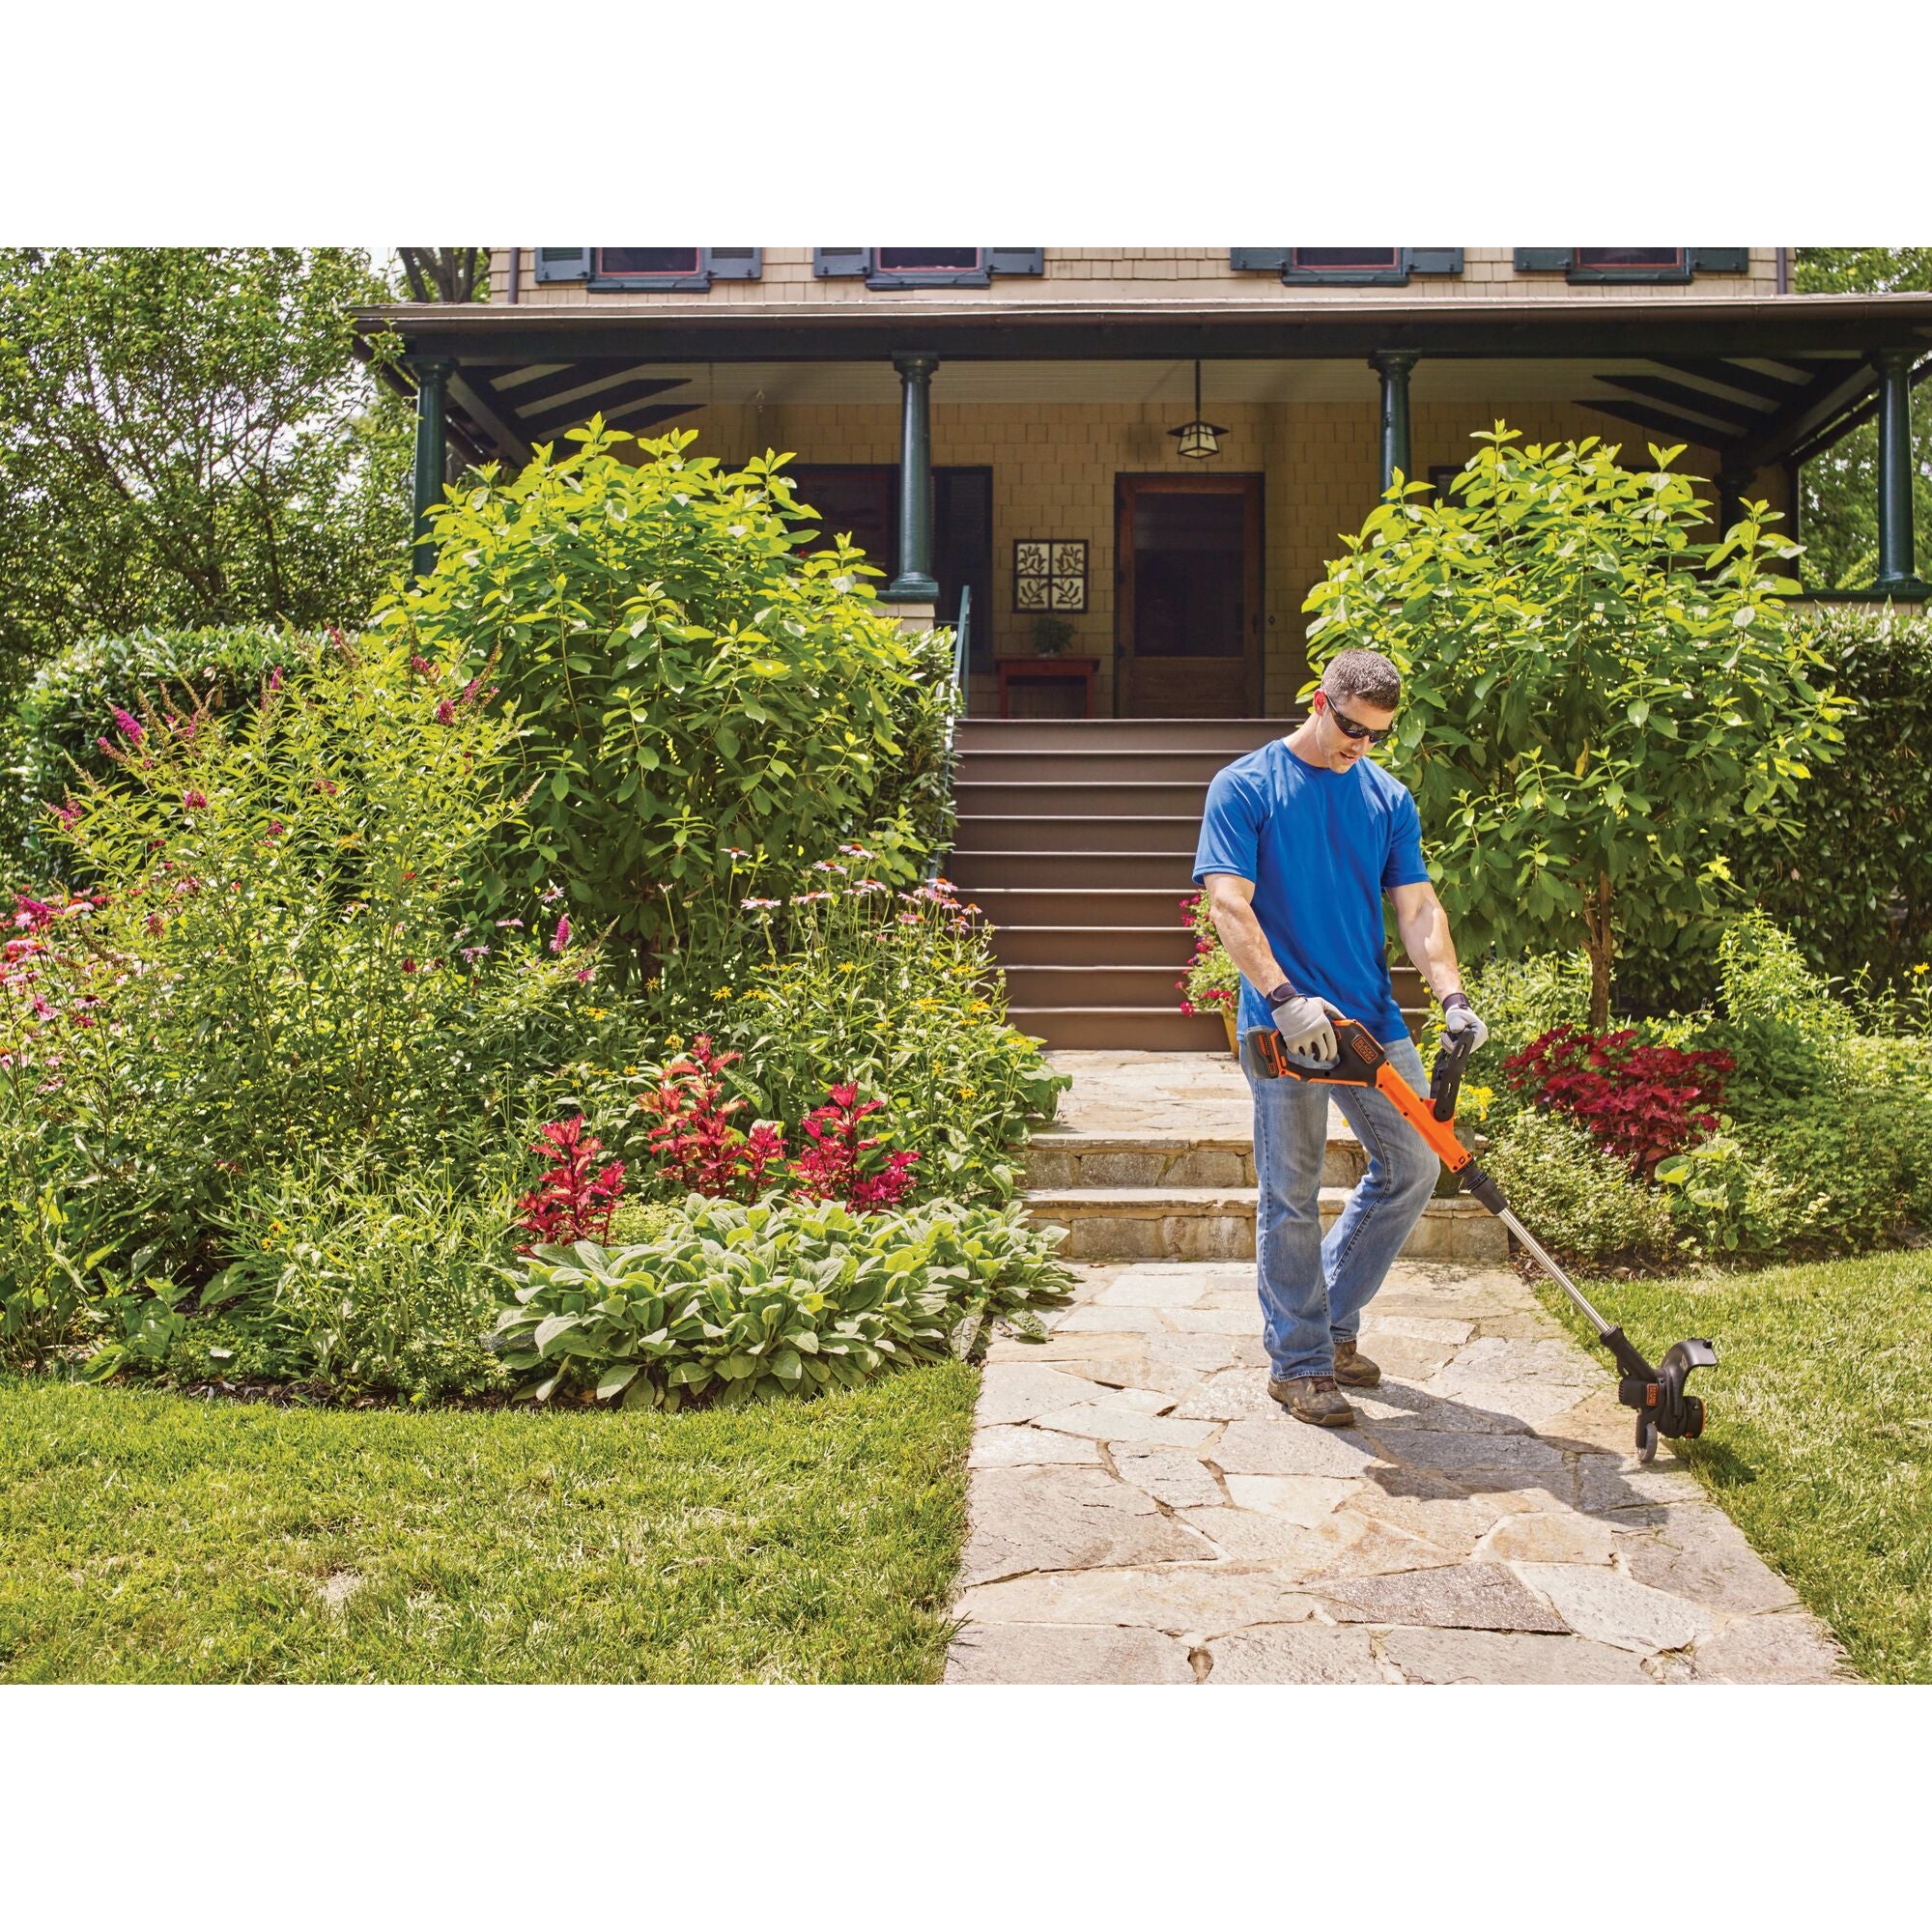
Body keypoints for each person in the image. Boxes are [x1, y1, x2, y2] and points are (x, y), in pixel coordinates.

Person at [1192, 647, 1488, 1428]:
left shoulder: (1387, 799)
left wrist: (1451, 996)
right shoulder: (1247, 786)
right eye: (1351, 727)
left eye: (1376, 735)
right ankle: (1299, 1364)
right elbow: (1230, 905)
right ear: (1319, 702)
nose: (1360, 745)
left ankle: (1325, 1326)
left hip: (1372, 1020)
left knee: (1415, 1165)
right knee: (1290, 1193)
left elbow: (1419, 909)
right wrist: (1284, 997)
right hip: (1285, 1027)